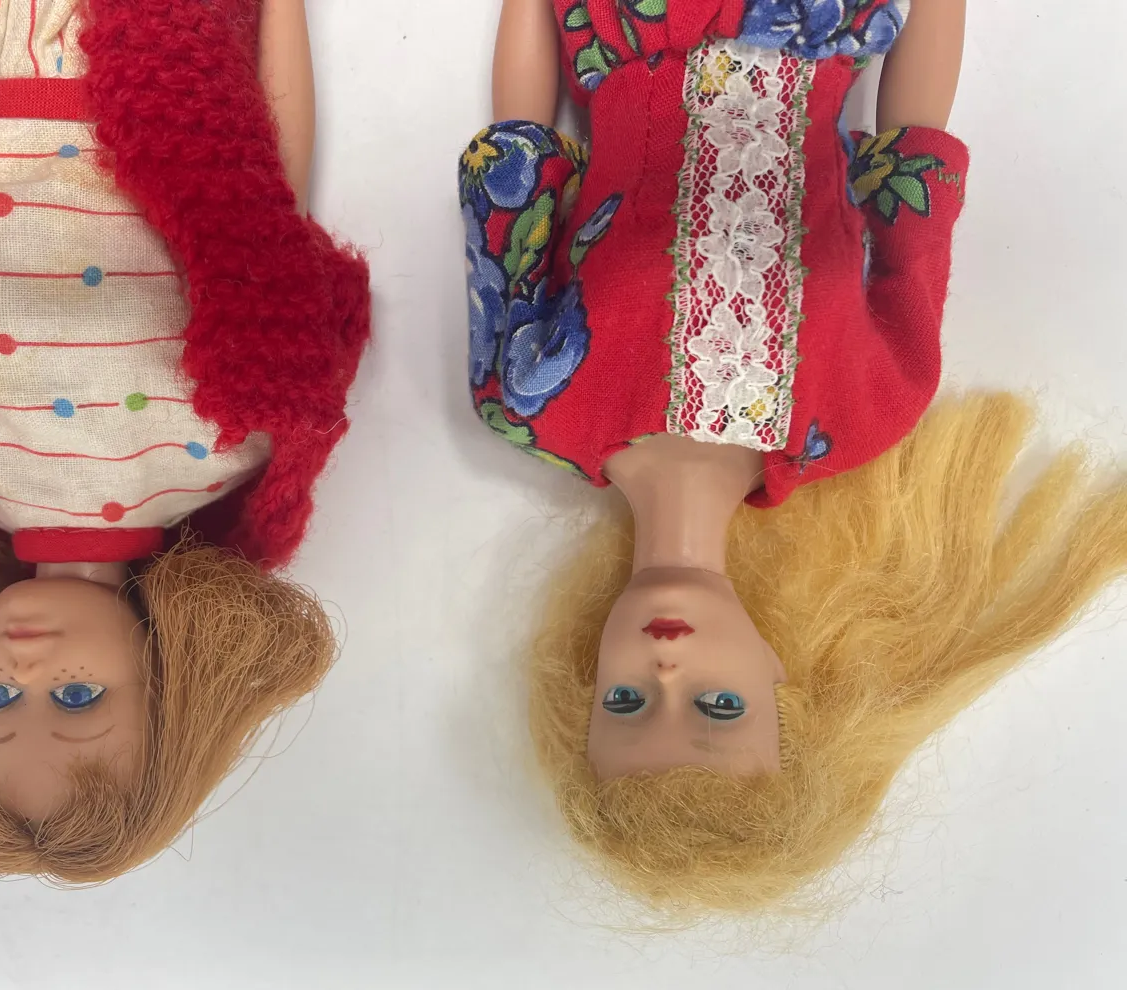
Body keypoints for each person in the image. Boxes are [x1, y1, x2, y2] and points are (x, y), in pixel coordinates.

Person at [467, 0, 1127, 918]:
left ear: (585, 679)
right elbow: (913, 172)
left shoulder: (528, 405)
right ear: (781, 684)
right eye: (718, 707)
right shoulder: (865, 411)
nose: (666, 671)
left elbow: (518, 162)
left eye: (624, 703)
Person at [0, 0, 370, 883]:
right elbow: (259, 193)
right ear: (165, 679)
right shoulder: (226, 446)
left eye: (0, 698)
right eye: (74, 695)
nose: (23, 665)